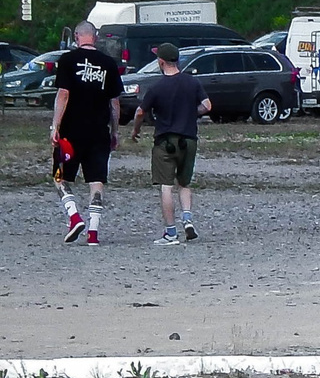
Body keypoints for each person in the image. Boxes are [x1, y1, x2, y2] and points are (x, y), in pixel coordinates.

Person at [125, 43, 213, 243]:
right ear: (178, 60)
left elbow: (140, 111)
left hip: (165, 141)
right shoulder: (192, 83)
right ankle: (188, 219)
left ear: (161, 62)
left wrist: (135, 129)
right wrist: (192, 113)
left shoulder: (157, 87)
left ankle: (171, 233)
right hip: (189, 139)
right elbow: (207, 105)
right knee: (184, 183)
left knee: (166, 185)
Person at [49, 18, 121, 245]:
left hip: (71, 131)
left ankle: (74, 216)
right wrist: (114, 131)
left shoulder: (68, 60)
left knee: (60, 176)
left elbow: (63, 94)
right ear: (95, 38)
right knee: (96, 179)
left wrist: (55, 126)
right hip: (99, 132)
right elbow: (115, 103)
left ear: (77, 37)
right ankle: (93, 232)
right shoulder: (108, 63)